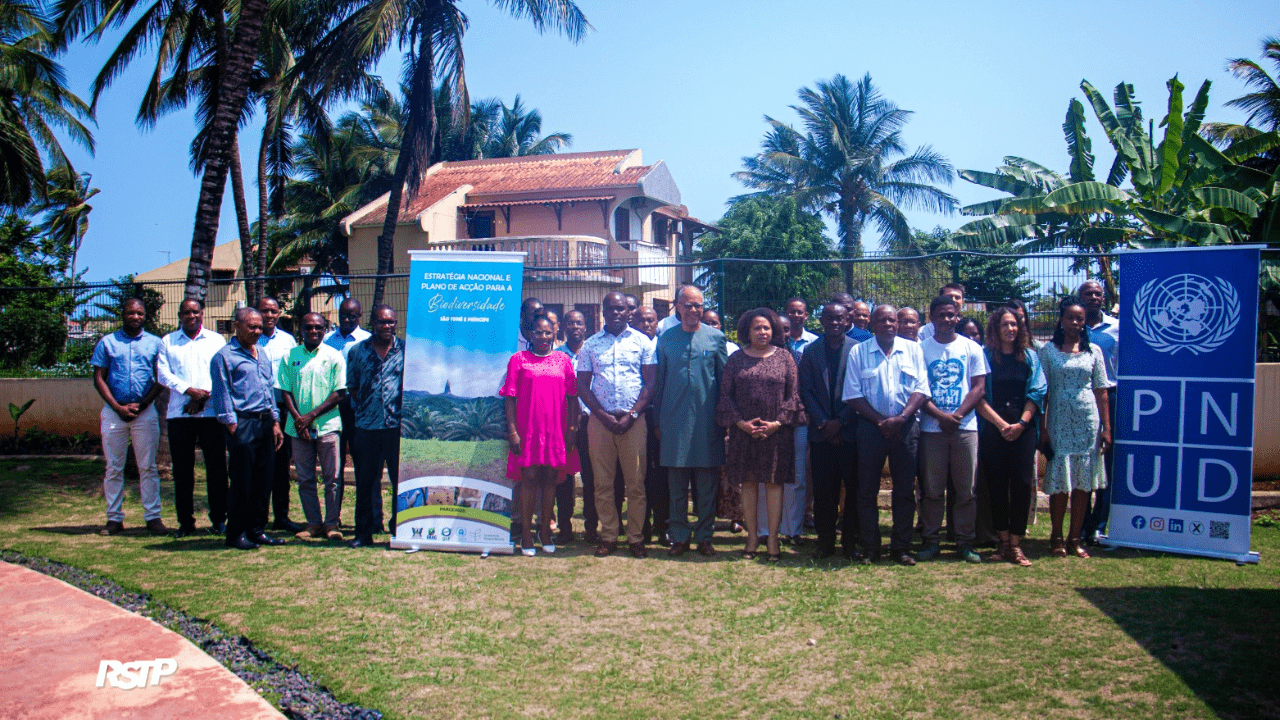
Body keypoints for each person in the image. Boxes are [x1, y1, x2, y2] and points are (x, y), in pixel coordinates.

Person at [716, 308, 806, 562]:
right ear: (747, 331)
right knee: (749, 483)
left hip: (776, 434)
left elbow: (794, 395)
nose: (762, 332)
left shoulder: (785, 358)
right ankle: (752, 537)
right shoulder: (736, 360)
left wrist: (777, 423)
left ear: (773, 330)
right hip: (744, 433)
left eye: (766, 327)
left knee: (774, 483)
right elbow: (726, 396)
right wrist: (741, 424)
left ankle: (773, 538)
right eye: (757, 328)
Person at [843, 305, 930, 566]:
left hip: (905, 427)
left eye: (892, 320)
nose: (889, 325)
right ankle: (871, 547)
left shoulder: (913, 349)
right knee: (866, 490)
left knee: (904, 490)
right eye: (882, 320)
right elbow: (853, 394)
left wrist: (901, 418)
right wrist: (881, 421)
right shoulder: (859, 351)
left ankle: (900, 547)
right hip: (871, 428)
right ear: (872, 324)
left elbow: (921, 389)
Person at [576, 292, 658, 558]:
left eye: (621, 308)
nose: (616, 313)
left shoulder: (643, 342)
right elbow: (582, 386)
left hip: (634, 421)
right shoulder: (590, 345)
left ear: (628, 312)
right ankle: (609, 535)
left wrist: (632, 416)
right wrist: (602, 416)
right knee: (603, 484)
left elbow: (650, 384)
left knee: (636, 483)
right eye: (611, 309)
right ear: (602, 312)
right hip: (601, 422)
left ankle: (635, 537)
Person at [1038, 295, 1112, 559]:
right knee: (1061, 482)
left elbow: (1101, 390)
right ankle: (1056, 536)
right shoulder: (1048, 352)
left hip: (1088, 421)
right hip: (1058, 419)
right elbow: (1042, 393)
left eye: (1080, 318)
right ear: (1061, 319)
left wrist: (1106, 428)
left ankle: (1075, 537)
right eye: (1070, 317)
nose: (1075, 322)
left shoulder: (1094, 352)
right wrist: (1042, 427)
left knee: (1083, 483)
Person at [655, 286, 727, 557]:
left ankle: (705, 536)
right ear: (677, 307)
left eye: (698, 305)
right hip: (672, 422)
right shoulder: (666, 339)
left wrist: (724, 421)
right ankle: (680, 536)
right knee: (676, 486)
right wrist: (658, 421)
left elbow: (723, 383)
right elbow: (659, 383)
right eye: (688, 305)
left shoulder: (716, 338)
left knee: (707, 485)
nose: (693, 310)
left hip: (707, 421)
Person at [917, 296, 988, 563]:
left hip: (965, 428)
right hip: (931, 429)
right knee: (932, 489)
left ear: (957, 316)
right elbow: (919, 390)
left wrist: (956, 415)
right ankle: (931, 541)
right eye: (942, 315)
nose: (947, 319)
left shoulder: (972, 348)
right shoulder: (921, 349)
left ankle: (964, 542)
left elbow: (979, 387)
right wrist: (940, 416)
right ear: (931, 317)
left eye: (952, 314)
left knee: (966, 489)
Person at [210, 308, 286, 550]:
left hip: (265, 423)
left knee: (264, 480)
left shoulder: (261, 354)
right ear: (237, 326)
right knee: (242, 482)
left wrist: (275, 422)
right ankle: (236, 534)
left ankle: (257, 530)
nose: (256, 331)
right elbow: (222, 394)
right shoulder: (224, 356)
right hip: (242, 424)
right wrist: (233, 426)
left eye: (259, 327)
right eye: (251, 326)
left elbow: (268, 390)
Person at [502, 316, 578, 555]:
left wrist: (572, 430)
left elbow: (573, 397)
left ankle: (544, 532)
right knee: (529, 479)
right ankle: (525, 535)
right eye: (538, 333)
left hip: (555, 431)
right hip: (528, 432)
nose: (543, 337)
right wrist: (513, 431)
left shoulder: (563, 360)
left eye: (548, 333)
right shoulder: (518, 360)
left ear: (555, 333)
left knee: (550, 480)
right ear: (529, 334)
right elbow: (510, 398)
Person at [975, 307, 1045, 566]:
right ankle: (1002, 542)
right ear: (995, 327)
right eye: (1005, 324)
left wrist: (1020, 424)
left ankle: (1016, 545)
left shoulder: (1029, 357)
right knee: (995, 485)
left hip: (1023, 429)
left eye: (1014, 324)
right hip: (993, 428)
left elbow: (1038, 391)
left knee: (1022, 484)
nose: (1010, 329)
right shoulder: (984, 356)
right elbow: (978, 395)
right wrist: (1002, 424)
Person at [92, 298, 168, 536]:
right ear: (123, 314)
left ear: (145, 315)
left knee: (148, 467)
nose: (135, 317)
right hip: (114, 412)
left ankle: (153, 517)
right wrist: (117, 407)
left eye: (139, 313)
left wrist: (143, 405)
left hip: (145, 413)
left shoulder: (156, 343)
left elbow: (161, 378)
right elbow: (98, 378)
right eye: (130, 313)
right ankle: (114, 519)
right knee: (114, 467)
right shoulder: (107, 343)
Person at [157, 298, 227, 537]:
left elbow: (222, 372)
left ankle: (219, 520)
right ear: (179, 315)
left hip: (210, 413)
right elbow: (163, 374)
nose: (191, 316)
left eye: (195, 312)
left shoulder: (216, 340)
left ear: (202, 313)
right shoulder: (168, 342)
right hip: (180, 414)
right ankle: (185, 523)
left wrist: (202, 398)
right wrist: (189, 391)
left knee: (216, 469)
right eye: (186, 312)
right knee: (183, 472)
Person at [278, 312, 347, 542]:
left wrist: (311, 416)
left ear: (325, 329)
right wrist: (300, 420)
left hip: (327, 426)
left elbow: (339, 392)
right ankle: (314, 523)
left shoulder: (334, 356)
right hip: (298, 430)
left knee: (333, 478)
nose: (314, 331)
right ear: (301, 330)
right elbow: (285, 390)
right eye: (309, 327)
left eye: (318, 327)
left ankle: (331, 524)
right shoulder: (290, 356)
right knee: (305, 478)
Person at [799, 302, 860, 559]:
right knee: (824, 492)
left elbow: (861, 390)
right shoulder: (810, 351)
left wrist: (841, 421)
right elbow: (806, 391)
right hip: (822, 434)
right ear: (821, 320)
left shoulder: (858, 350)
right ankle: (825, 542)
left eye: (840, 318)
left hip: (852, 433)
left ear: (848, 320)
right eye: (830, 318)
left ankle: (849, 543)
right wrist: (825, 423)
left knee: (854, 491)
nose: (835, 322)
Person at [345, 305, 405, 548]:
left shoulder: (405, 350)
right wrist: (369, 406)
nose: (387, 327)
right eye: (382, 322)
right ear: (372, 323)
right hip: (366, 428)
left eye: (391, 322)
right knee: (365, 483)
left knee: (399, 482)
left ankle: (399, 529)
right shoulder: (358, 351)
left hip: (396, 428)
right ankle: (363, 533)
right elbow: (353, 386)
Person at [255, 296, 303, 533]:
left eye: (274, 311)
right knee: (261, 465)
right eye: (265, 311)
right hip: (259, 410)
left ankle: (281, 516)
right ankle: (259, 517)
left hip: (284, 408)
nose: (270, 316)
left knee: (282, 466)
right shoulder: (251, 339)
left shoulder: (288, 340)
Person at [1077, 280, 1119, 546]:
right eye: (1088, 294)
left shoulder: (1118, 327)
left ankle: (1098, 526)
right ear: (1080, 298)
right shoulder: (1072, 327)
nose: (1093, 297)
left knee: (1107, 464)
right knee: (1081, 462)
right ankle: (1080, 525)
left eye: (1097, 294)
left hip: (1110, 397)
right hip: (1079, 399)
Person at [324, 298, 370, 495]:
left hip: (358, 409)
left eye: (352, 316)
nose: (347, 320)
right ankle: (335, 515)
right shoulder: (327, 339)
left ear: (359, 316)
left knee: (362, 461)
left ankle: (365, 518)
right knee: (335, 464)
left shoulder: (367, 340)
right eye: (343, 315)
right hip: (333, 408)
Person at [634, 306, 669, 546]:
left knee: (662, 476)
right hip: (636, 418)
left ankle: (663, 526)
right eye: (642, 320)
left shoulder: (665, 346)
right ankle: (642, 526)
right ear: (634, 322)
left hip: (663, 419)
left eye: (651, 320)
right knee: (640, 475)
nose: (647, 324)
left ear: (658, 323)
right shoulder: (631, 345)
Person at [553, 310, 590, 544]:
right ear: (563, 327)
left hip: (591, 422)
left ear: (586, 326)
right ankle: (564, 527)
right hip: (564, 425)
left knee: (592, 477)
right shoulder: (555, 356)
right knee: (564, 479)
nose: (575, 326)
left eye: (580, 322)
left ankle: (592, 526)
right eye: (570, 323)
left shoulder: (594, 351)